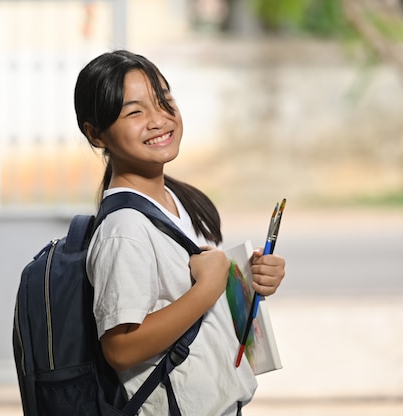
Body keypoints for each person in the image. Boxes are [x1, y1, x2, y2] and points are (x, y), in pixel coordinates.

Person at [75, 50, 286, 415]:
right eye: (134, 112)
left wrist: (248, 279)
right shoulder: (123, 229)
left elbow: (186, 286)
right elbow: (120, 348)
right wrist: (207, 288)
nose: (158, 119)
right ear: (96, 134)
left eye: (164, 101)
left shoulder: (176, 200)